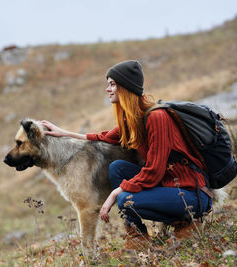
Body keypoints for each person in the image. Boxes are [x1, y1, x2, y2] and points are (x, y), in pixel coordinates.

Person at [42, 60, 212, 249]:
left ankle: (189, 222)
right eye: (108, 84)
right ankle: (138, 236)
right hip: (169, 188)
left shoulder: (157, 117)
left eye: (112, 84)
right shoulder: (133, 118)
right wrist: (64, 133)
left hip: (191, 195)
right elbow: (104, 137)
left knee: (125, 200)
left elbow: (154, 171)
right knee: (117, 168)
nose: (108, 89)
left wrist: (117, 191)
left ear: (126, 86)